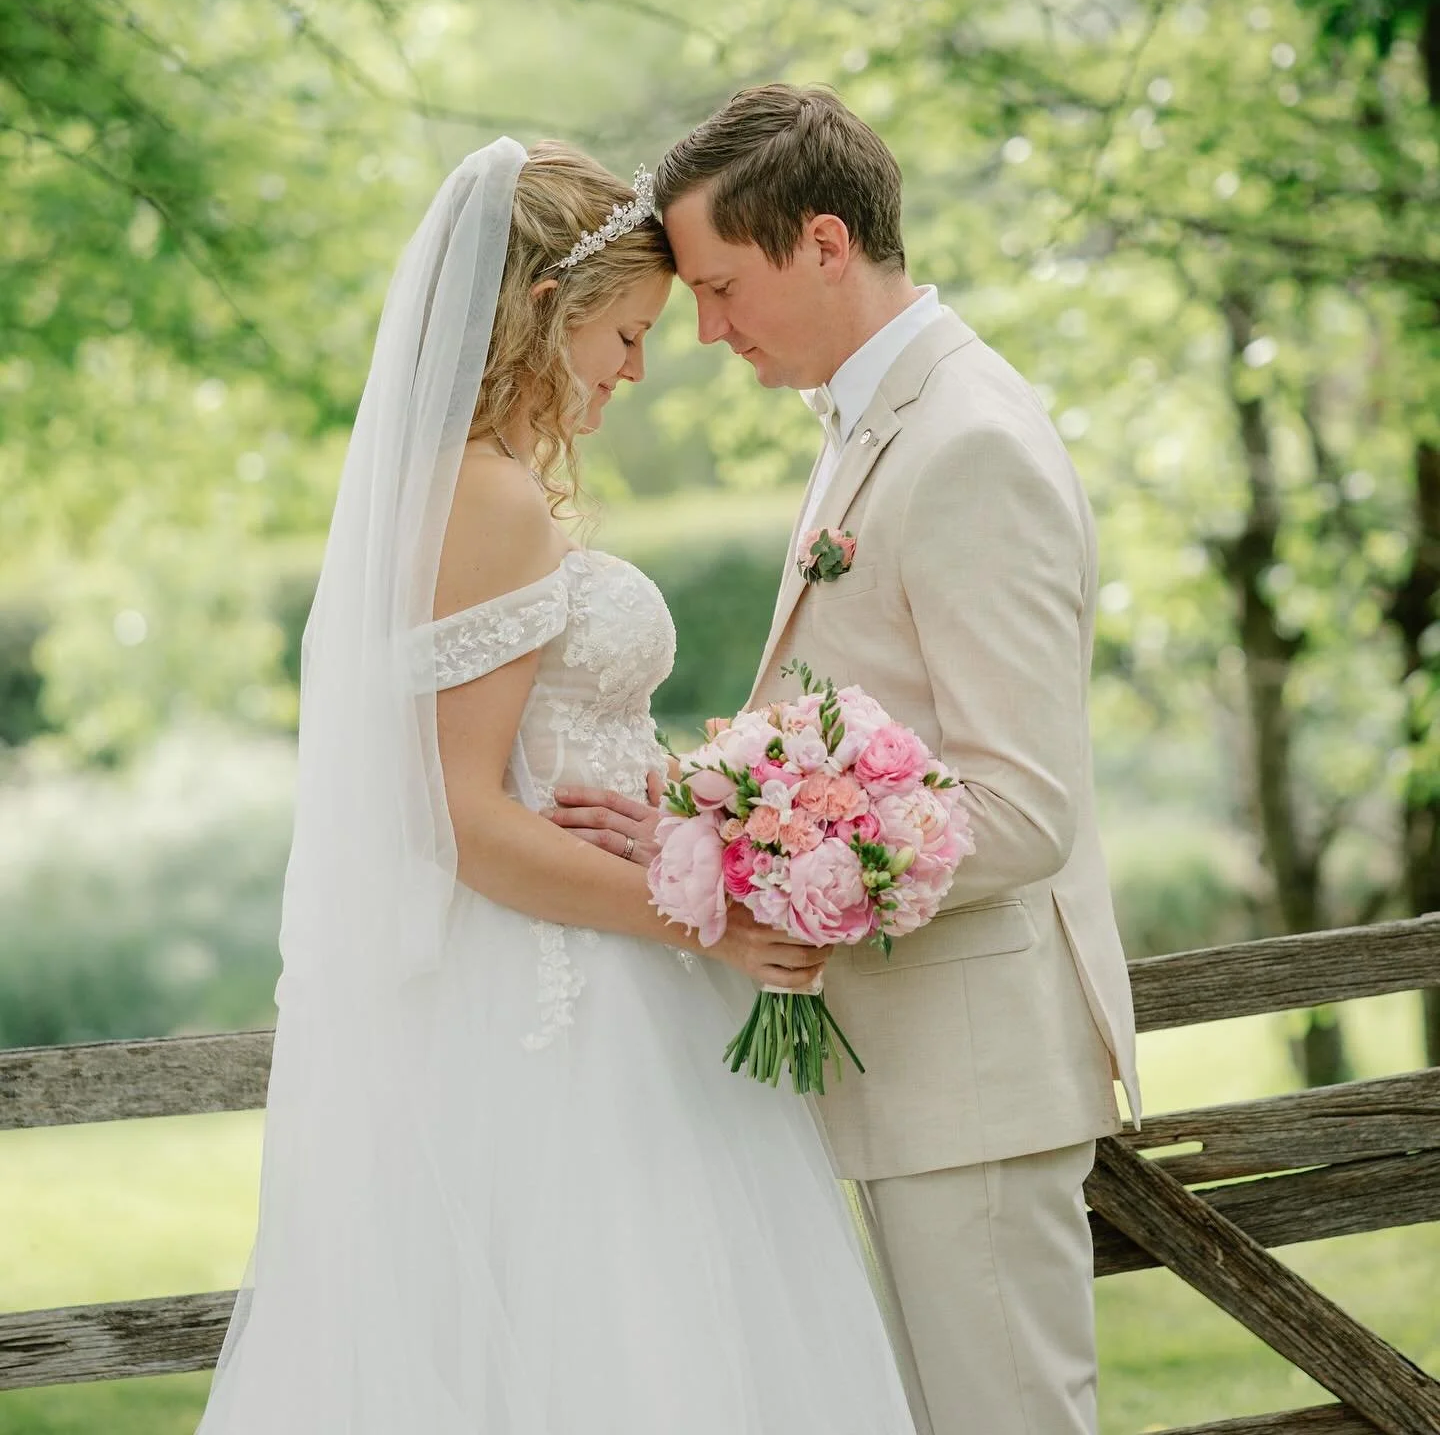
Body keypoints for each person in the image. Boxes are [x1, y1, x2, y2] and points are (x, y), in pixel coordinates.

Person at [194, 136, 917, 1435]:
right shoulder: (488, 501)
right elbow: (467, 823)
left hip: (590, 967)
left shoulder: (472, 489)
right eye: (627, 333)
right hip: (561, 1010)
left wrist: (693, 826)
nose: (639, 368)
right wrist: (712, 917)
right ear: (544, 313)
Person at [551, 87, 1141, 1435]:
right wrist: (696, 805)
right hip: (903, 1063)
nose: (703, 329)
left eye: (721, 285)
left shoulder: (970, 443)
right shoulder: (872, 423)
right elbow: (866, 734)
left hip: (970, 1075)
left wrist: (740, 867)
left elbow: (1020, 808)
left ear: (823, 243)